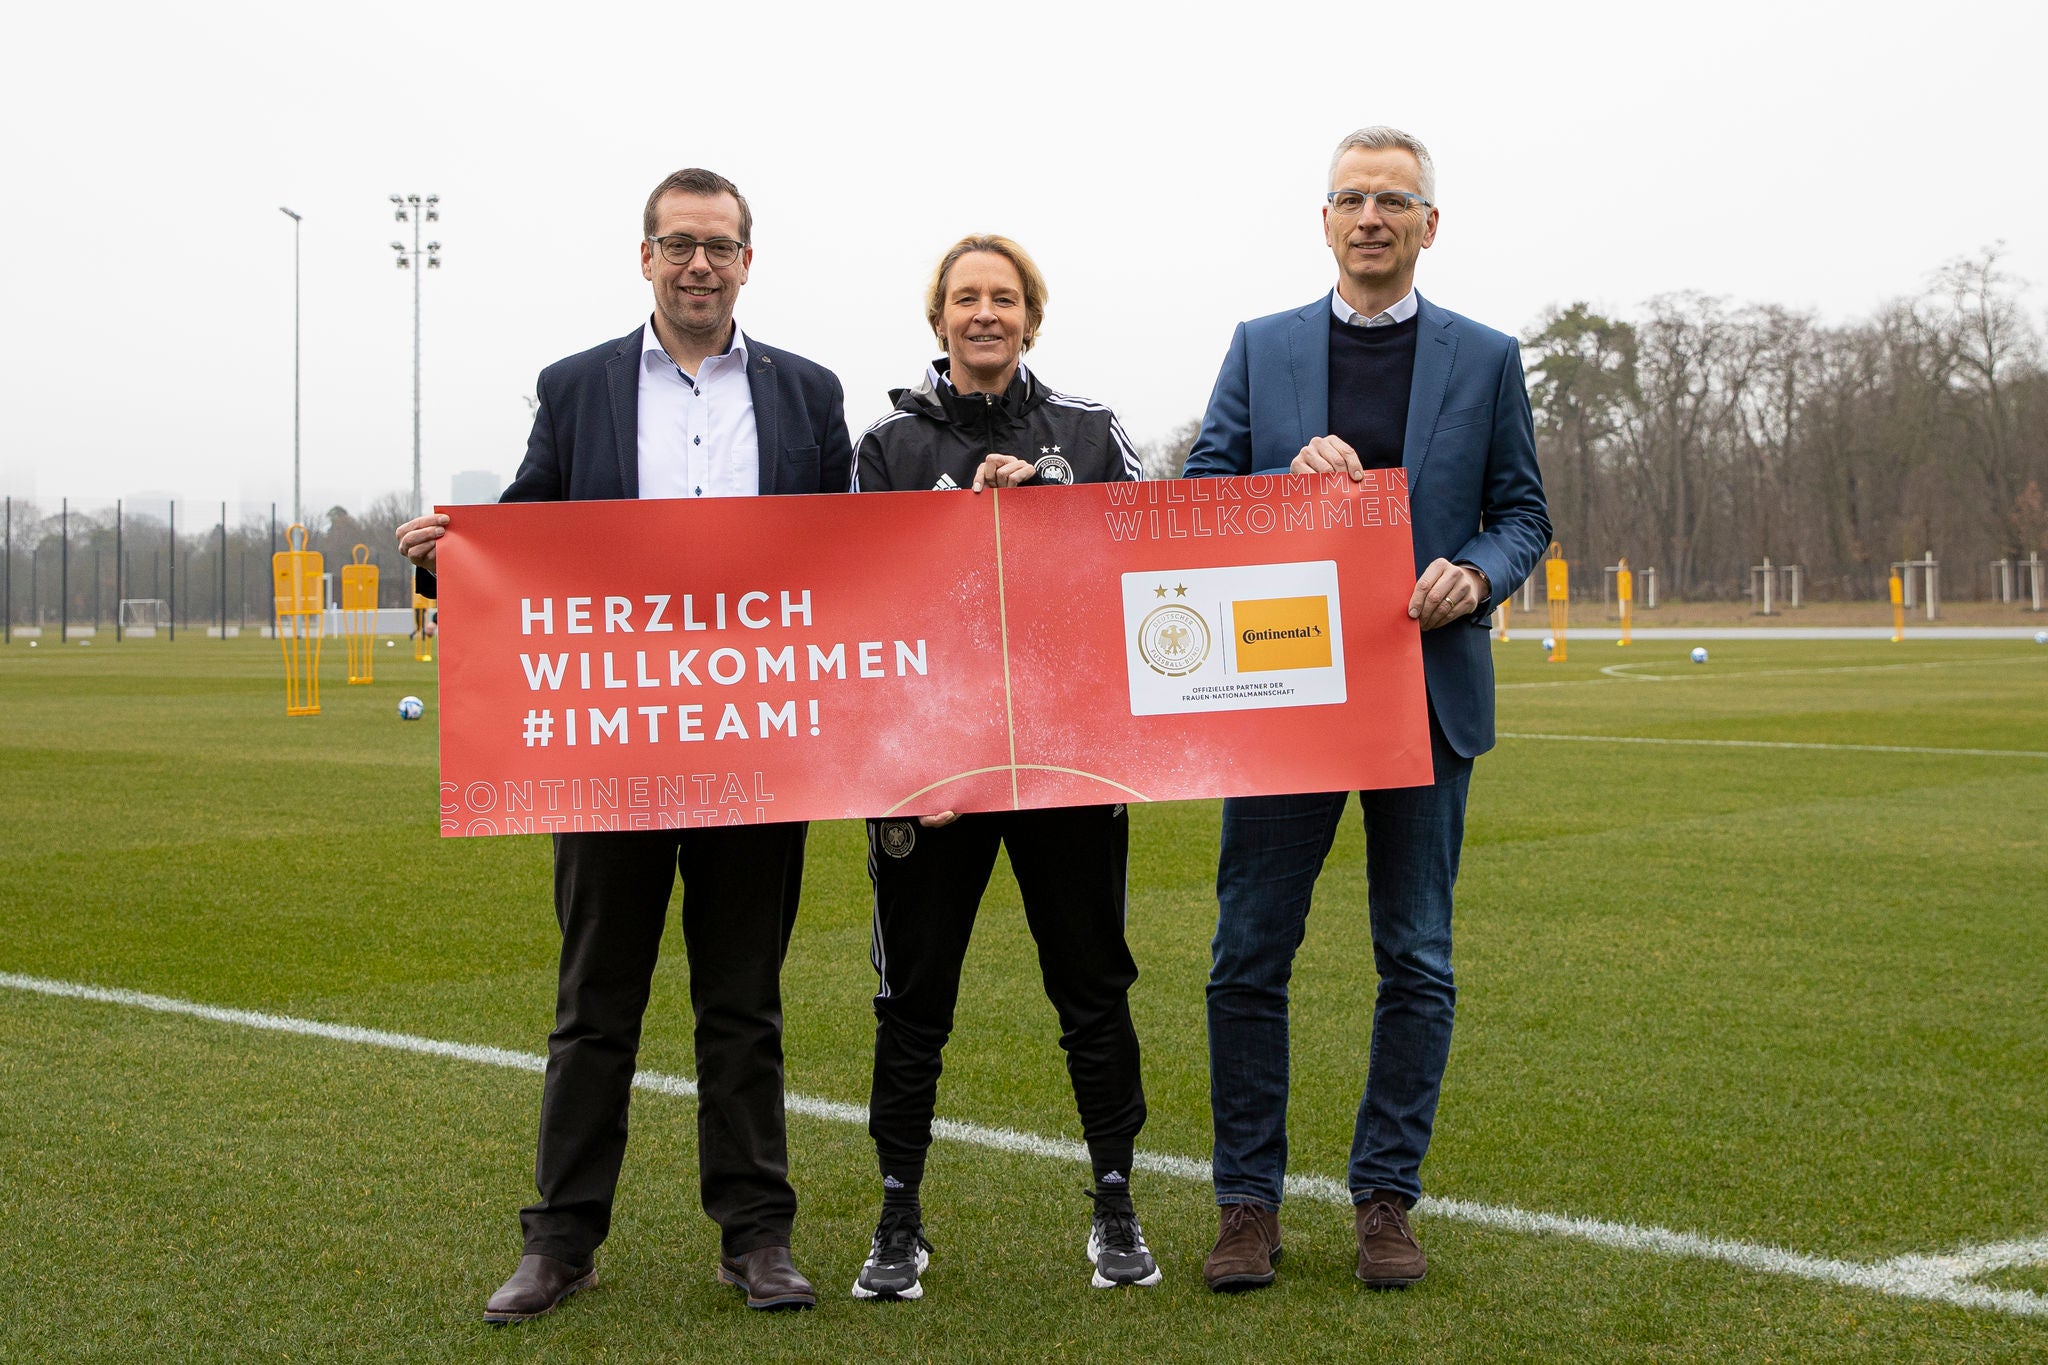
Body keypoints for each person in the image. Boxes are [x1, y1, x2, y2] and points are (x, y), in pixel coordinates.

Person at [396, 167, 852, 1321]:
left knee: (741, 1005)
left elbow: (857, 551)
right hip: (613, 747)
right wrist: (449, 553)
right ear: (643, 256)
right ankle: (560, 1240)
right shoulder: (577, 387)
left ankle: (755, 1236)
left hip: (759, 745)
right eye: (677, 243)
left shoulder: (807, 394)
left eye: (719, 245)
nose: (698, 263)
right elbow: (530, 521)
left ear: (749, 260)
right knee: (595, 998)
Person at [1182, 127, 1550, 1292]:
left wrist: (1479, 574)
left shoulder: (1486, 358)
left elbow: (1521, 513)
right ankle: (1246, 1207)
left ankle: (1384, 1200)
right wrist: (1277, 487)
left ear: (1428, 225)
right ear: (1325, 219)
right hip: (1285, 693)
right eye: (1351, 198)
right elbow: (1201, 495)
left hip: (1424, 697)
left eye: (1395, 200)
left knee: (1416, 958)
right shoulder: (1261, 347)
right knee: (1248, 957)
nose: (1371, 216)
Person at [844, 234, 1157, 1301]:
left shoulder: (1089, 432)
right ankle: (896, 1220)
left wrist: (1049, 508)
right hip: (930, 778)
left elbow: (1143, 575)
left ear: (1031, 316)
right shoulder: (883, 445)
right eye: (965, 298)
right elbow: (854, 607)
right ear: (937, 319)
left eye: (1004, 297)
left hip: (1064, 765)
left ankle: (1115, 1206)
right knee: (911, 998)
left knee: (1091, 984)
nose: (985, 313)